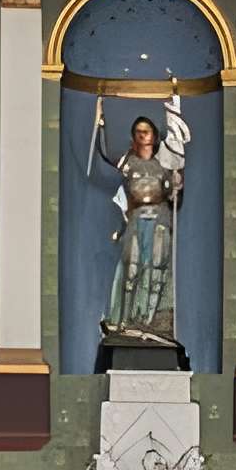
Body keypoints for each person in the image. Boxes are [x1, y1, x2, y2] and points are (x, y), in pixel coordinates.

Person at [95, 107, 183, 342]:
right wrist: (100, 125)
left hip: (160, 220)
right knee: (131, 269)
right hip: (135, 219)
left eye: (147, 131)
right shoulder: (128, 161)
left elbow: (174, 198)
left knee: (156, 269)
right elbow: (105, 164)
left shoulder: (165, 164)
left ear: (154, 135)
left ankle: (149, 321)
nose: (143, 135)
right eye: (138, 131)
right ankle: (123, 319)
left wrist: (177, 186)